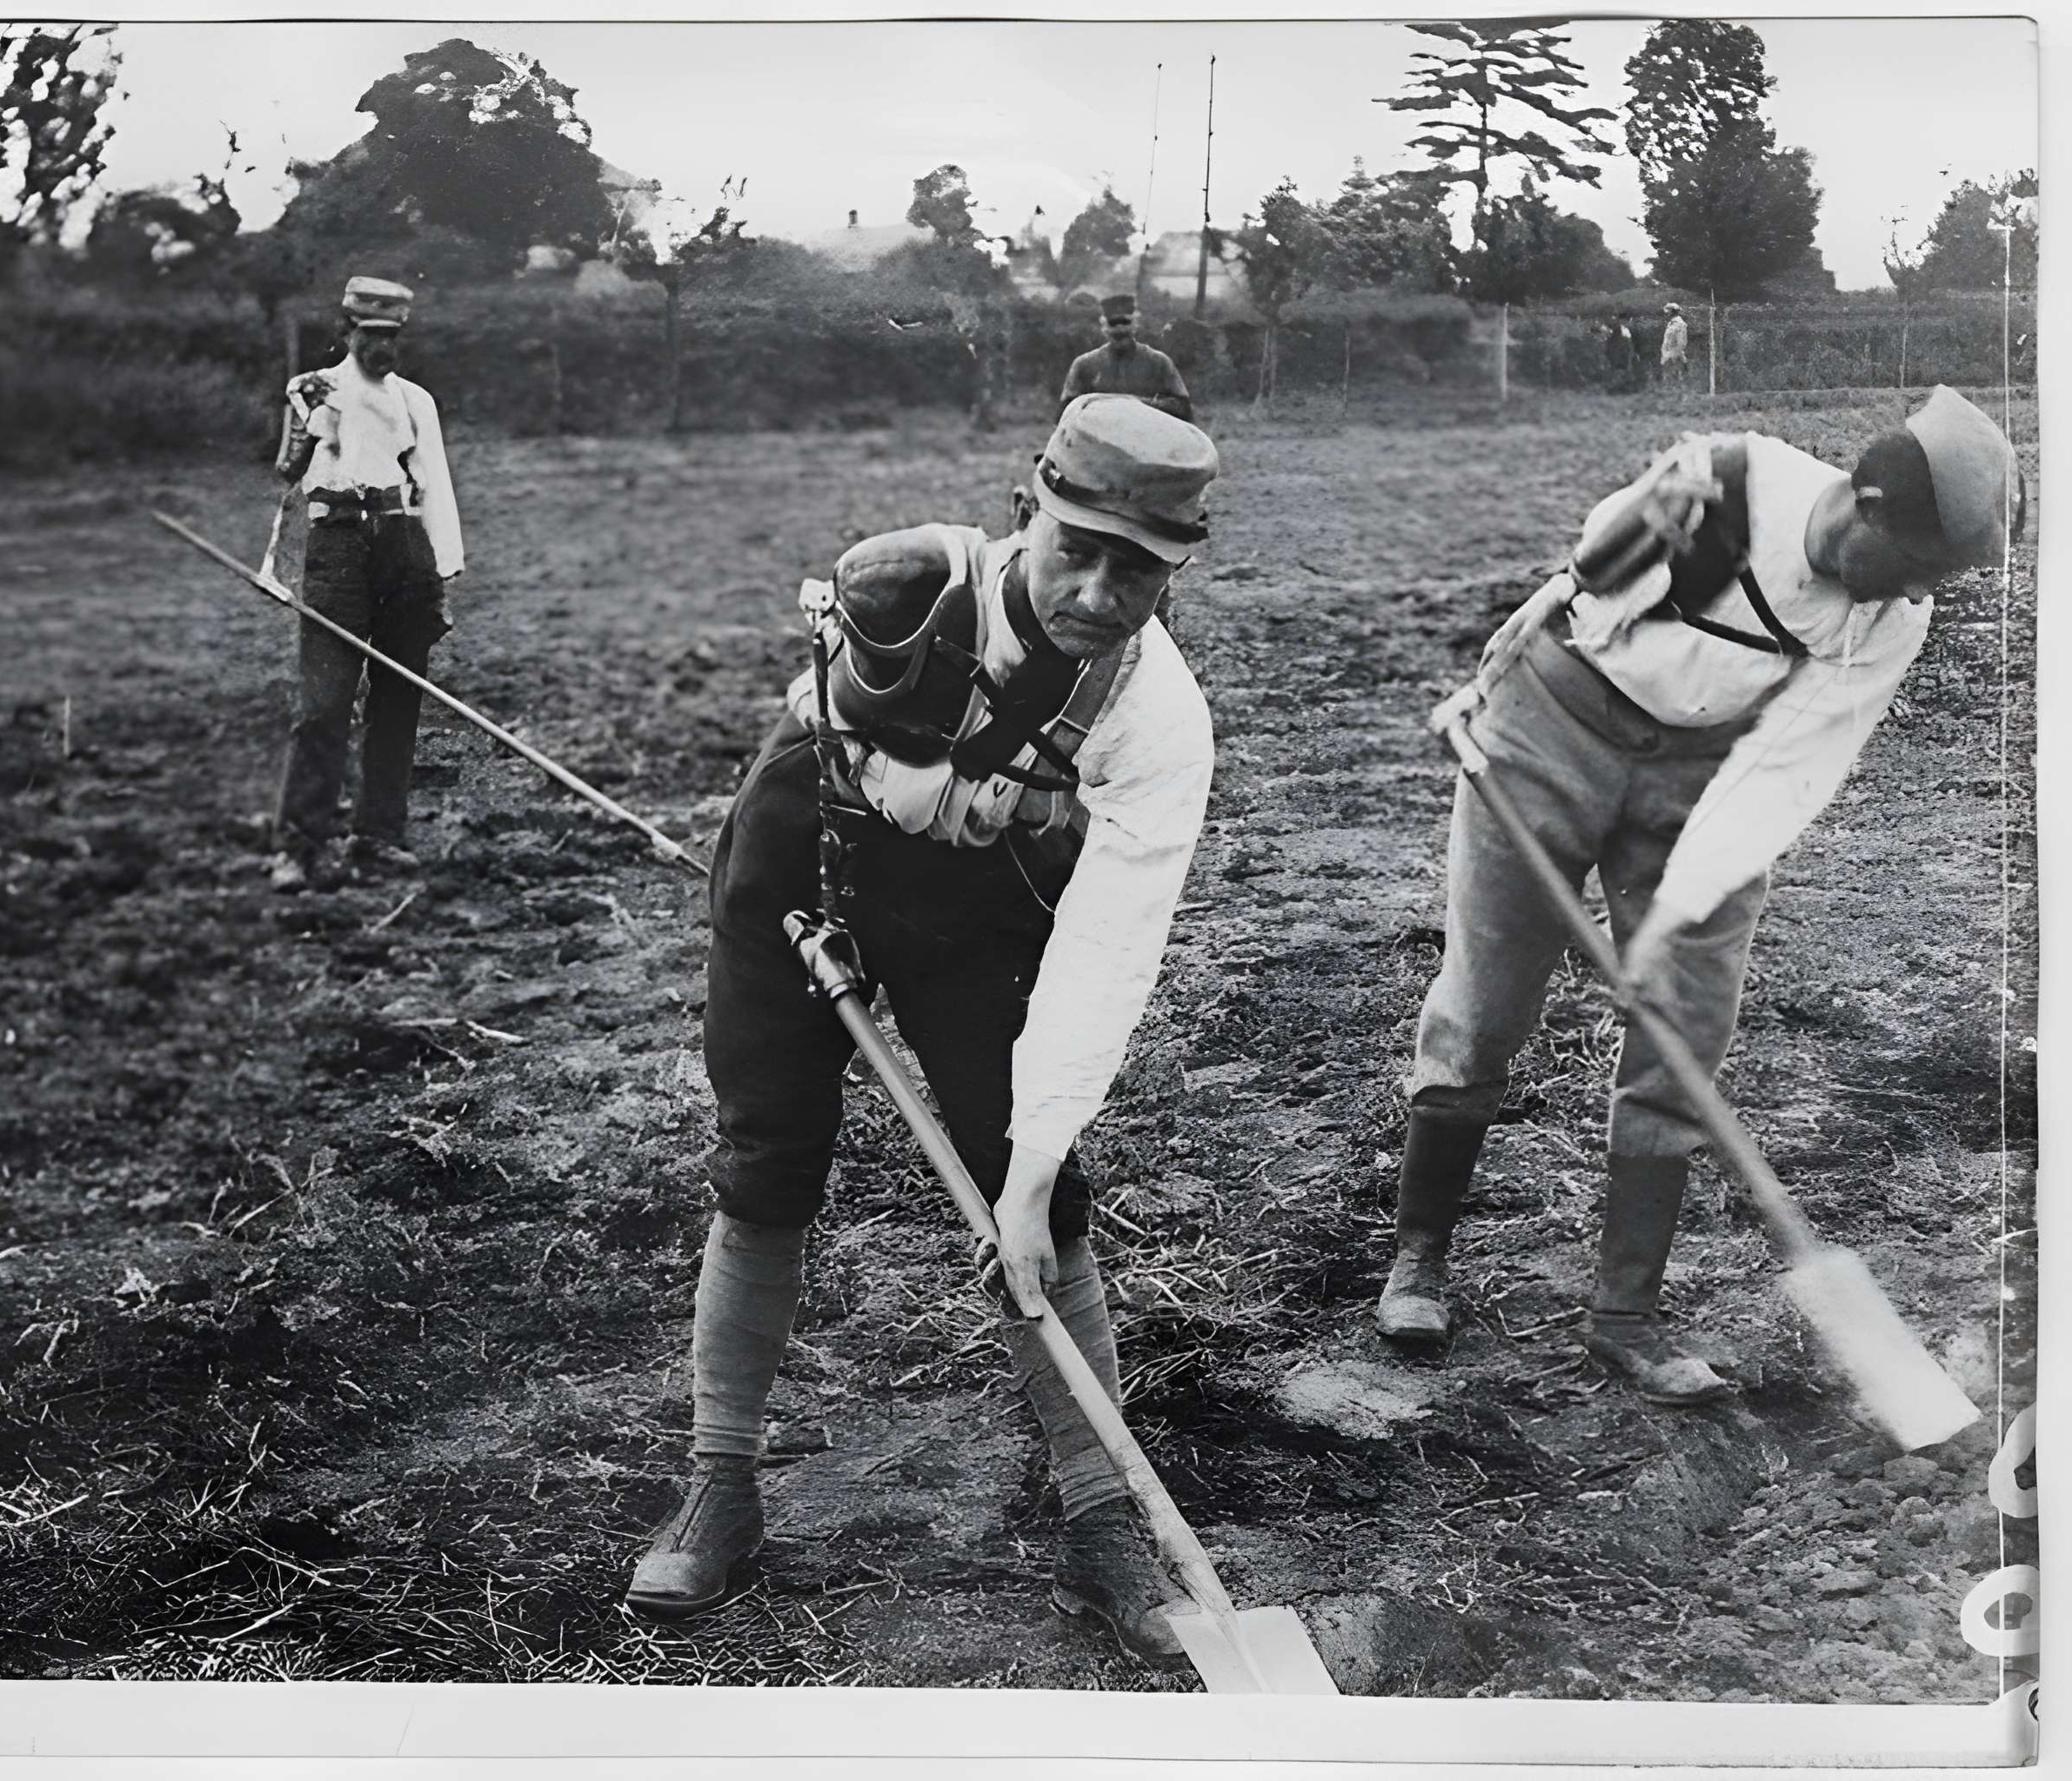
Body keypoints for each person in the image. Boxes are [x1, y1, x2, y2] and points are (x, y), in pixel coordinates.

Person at [627, 395, 1223, 1669]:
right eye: (1079, 551)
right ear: (1025, 515)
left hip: (977, 898)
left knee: (1034, 1185)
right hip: (807, 846)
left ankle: (1102, 1523)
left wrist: (1034, 1165)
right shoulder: (906, 588)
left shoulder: (1158, 721)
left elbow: (1106, 952)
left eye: (1139, 573)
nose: (1101, 593)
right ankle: (722, 1484)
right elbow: (837, 737)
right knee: (769, 1154)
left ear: (1177, 571)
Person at [1377, 387, 2018, 1404]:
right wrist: (1635, 533)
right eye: (1913, 563)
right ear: (1865, 505)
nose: (1915, 592)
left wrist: (1668, 922)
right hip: (1552, 726)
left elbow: (1788, 771)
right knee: (1487, 1001)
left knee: (1686, 1028)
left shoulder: (1894, 619)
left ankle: (1625, 1318)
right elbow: (1588, 585)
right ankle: (1419, 1259)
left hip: (1701, 779)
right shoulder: (1722, 485)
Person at [265, 275, 464, 894]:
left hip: (404, 548)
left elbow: (435, 482)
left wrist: (442, 572)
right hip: (338, 548)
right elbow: (288, 471)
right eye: (370, 334)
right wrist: (311, 415)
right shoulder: (312, 389)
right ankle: (300, 846)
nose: (382, 347)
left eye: (392, 336)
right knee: (323, 705)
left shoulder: (415, 401)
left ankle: (379, 835)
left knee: (398, 697)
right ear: (346, 331)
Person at [1059, 295, 1193, 422]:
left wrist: (1139, 404)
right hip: (1098, 435)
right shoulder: (1084, 365)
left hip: (1145, 433)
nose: (1120, 329)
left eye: (1125, 322)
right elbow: (1065, 414)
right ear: (1104, 326)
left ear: (1135, 324)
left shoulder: (1159, 362)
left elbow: (1184, 409)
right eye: (1113, 323)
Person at [1660, 302, 1690, 391]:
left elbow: (1682, 342)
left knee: (1678, 377)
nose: (1666, 313)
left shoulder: (1680, 324)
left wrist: (1674, 354)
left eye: (1668, 311)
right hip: (1667, 354)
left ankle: (1680, 393)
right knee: (1668, 378)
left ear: (1673, 312)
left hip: (1675, 355)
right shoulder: (1670, 324)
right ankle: (1669, 392)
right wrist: (1665, 353)